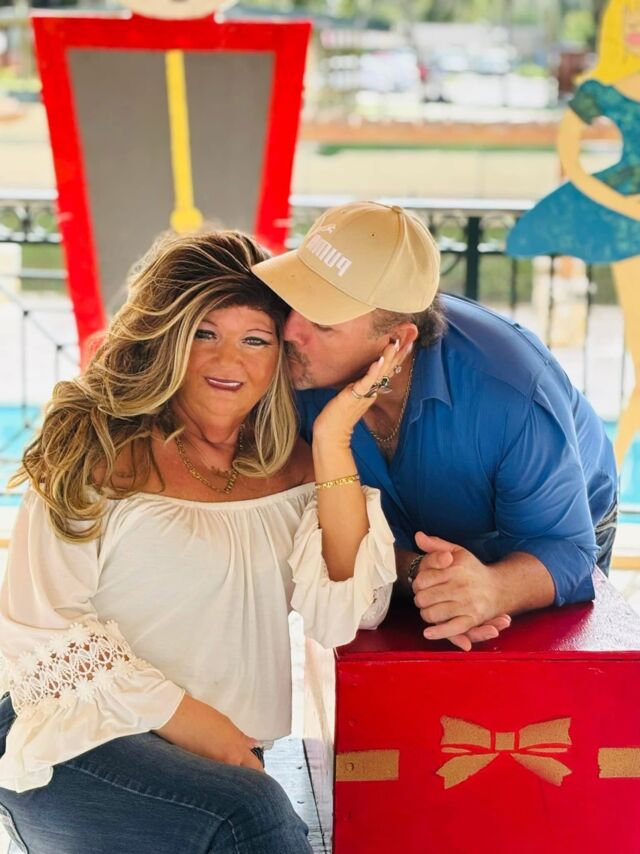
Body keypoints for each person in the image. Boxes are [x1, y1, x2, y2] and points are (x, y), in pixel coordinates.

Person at [0, 229, 398, 853]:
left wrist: (331, 440)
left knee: (248, 809)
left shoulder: (294, 468)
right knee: (252, 812)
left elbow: (349, 609)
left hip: (223, 762)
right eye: (205, 334)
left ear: (281, 355)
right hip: (69, 736)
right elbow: (44, 637)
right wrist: (201, 727)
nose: (228, 361)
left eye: (255, 339)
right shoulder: (98, 452)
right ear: (167, 341)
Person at [251, 200, 618, 652]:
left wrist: (494, 588)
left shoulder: (509, 393)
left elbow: (566, 551)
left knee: (532, 683)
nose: (289, 332)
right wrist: (416, 571)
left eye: (322, 323)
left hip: (553, 530)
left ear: (397, 340)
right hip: (411, 558)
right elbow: (310, 538)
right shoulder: (297, 366)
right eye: (294, 300)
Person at [507, 0, 640, 469]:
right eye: (629, 23)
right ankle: (613, 469)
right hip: (629, 225)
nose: (636, 30)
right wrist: (619, 202)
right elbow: (570, 154)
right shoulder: (603, 89)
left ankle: (610, 469)